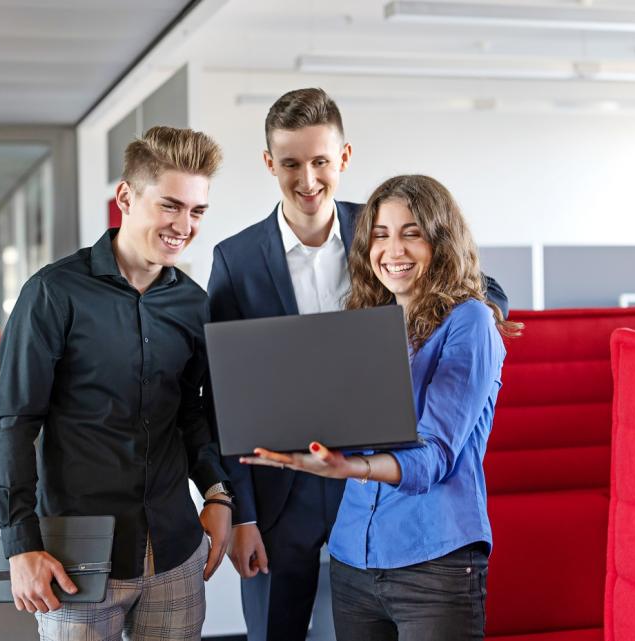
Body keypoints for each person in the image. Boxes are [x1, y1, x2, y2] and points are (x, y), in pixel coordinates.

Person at [207, 88, 509, 641]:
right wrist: (243, 514)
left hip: (378, 478)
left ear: (343, 158)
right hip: (286, 492)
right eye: (292, 164)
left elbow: (480, 289)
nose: (308, 179)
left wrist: (467, 330)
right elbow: (229, 394)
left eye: (321, 161)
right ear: (270, 163)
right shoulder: (237, 258)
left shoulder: (380, 231)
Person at [0, 126, 235, 641]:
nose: (183, 225)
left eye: (196, 211)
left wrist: (217, 493)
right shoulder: (54, 294)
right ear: (125, 196)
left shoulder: (192, 304)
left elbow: (192, 413)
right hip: (74, 556)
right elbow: (13, 423)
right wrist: (20, 545)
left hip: (173, 549)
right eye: (170, 206)